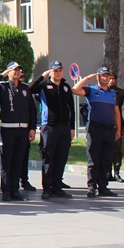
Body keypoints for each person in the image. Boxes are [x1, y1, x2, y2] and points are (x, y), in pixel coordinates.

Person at [0, 62, 37, 201]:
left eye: (19, 69)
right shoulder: (3, 86)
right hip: (8, 129)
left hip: (23, 130)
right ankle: (6, 191)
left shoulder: (25, 88)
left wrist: (32, 128)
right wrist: (1, 74)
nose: (18, 71)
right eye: (15, 69)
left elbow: (32, 109)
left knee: (18, 161)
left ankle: (15, 190)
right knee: (7, 162)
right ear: (9, 72)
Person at [72, 67, 121, 198]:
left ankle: (103, 187)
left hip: (109, 129)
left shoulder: (112, 93)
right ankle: (92, 186)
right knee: (93, 158)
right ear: (98, 77)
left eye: (107, 76)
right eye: (103, 75)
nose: (106, 78)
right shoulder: (91, 90)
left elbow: (116, 112)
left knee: (106, 159)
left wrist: (119, 129)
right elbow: (75, 90)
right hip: (95, 127)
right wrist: (88, 78)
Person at [28, 61, 75, 200]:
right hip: (49, 127)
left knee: (61, 158)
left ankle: (57, 187)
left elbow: (71, 108)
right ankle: (47, 188)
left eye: (60, 70)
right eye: (55, 70)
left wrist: (72, 127)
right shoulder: (44, 86)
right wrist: (42, 76)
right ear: (50, 72)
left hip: (64, 127)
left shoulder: (66, 87)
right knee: (48, 157)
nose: (58, 73)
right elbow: (30, 88)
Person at [108, 75, 124, 182]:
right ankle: (107, 172)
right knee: (107, 149)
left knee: (118, 149)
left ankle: (117, 172)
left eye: (113, 79)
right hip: (106, 122)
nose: (111, 81)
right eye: (109, 78)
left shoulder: (121, 92)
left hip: (118, 123)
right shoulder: (103, 91)